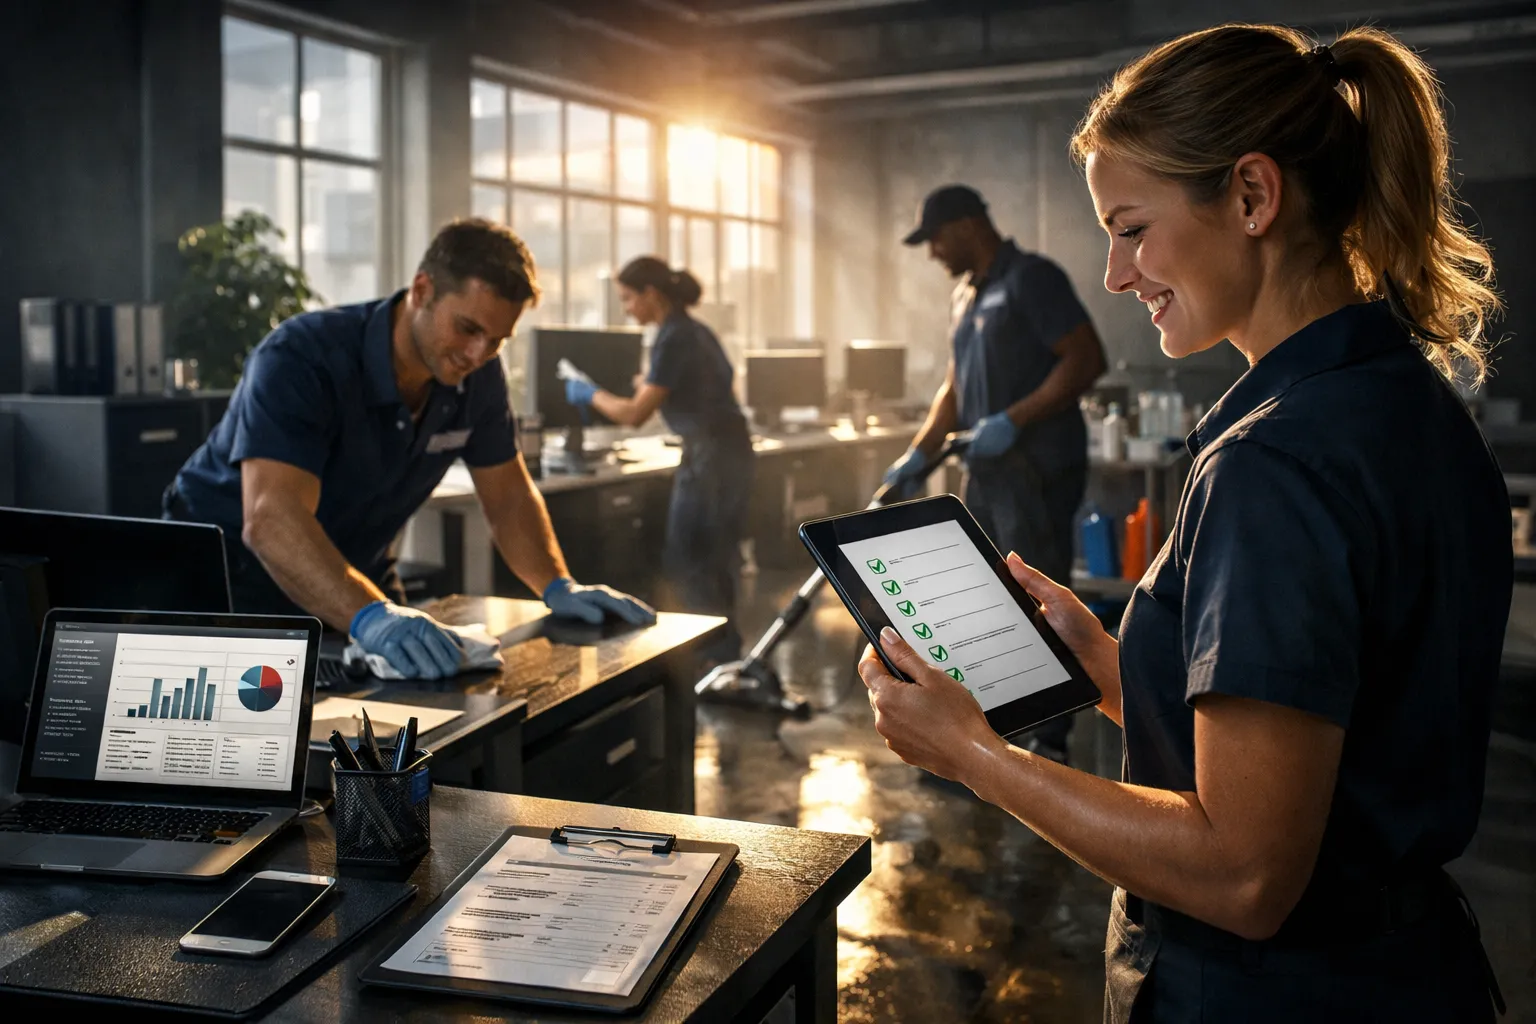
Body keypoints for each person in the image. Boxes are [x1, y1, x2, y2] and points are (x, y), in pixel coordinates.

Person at [859, 24, 1512, 1021]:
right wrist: (1119, 670)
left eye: (1131, 227)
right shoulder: (1405, 401)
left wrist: (976, 757)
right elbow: (1335, 735)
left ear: (1252, 196)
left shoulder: (1273, 464)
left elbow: (1245, 874)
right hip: (1407, 972)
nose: (1118, 274)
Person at [165, 219, 655, 680]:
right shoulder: (302, 358)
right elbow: (272, 519)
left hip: (357, 577)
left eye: (497, 340)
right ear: (422, 290)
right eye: (467, 328)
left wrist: (557, 585)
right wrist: (373, 618)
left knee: (418, 730)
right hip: (234, 587)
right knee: (260, 755)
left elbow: (507, 497)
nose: (477, 354)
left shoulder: (476, 375)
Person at [886, 184, 1107, 763]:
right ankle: (996, 719)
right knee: (978, 597)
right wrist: (917, 453)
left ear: (966, 224)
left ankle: (1051, 739)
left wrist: (1015, 418)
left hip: (1035, 470)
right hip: (985, 474)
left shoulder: (1032, 278)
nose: (933, 252)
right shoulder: (966, 294)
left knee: (1037, 597)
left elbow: (1086, 357)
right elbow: (955, 386)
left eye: (935, 237)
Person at [563, 257, 754, 666]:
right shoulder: (695, 332)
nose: (627, 309)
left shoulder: (674, 338)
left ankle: (712, 660)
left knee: (690, 559)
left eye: (629, 299)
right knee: (714, 555)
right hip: (728, 451)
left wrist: (588, 391)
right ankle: (724, 654)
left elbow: (634, 415)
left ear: (651, 294)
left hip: (710, 457)